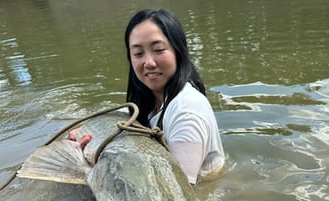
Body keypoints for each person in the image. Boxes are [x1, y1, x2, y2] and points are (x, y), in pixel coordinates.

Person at [72, 9, 225, 185]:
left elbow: (178, 195)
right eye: (138, 54)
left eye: (158, 50)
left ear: (178, 51)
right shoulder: (148, 101)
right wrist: (84, 138)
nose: (149, 63)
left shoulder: (186, 110)